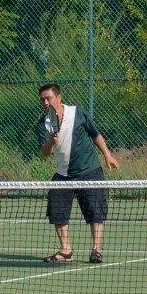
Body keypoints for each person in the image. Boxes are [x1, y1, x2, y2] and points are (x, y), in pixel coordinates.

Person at [36, 82, 118, 265]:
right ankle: (66, 251)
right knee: (57, 210)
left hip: (89, 170)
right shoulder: (44, 123)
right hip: (63, 173)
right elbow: (44, 152)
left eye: (48, 98)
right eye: (42, 100)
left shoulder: (78, 113)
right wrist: (51, 141)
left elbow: (95, 134)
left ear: (59, 97)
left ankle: (96, 250)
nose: (45, 103)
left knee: (95, 211)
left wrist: (108, 155)